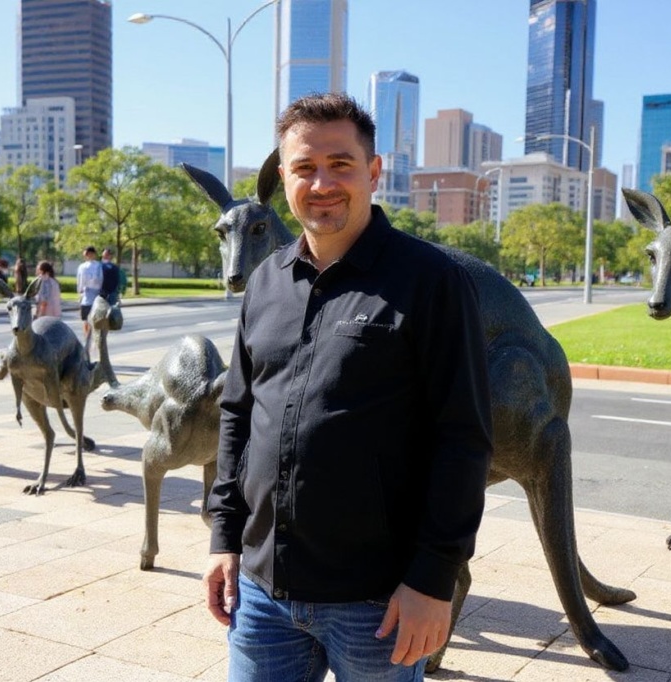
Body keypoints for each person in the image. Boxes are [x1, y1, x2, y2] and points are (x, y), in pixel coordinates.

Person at [202, 93, 493, 681]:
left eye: (340, 164)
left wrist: (433, 579)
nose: (322, 184)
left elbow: (463, 438)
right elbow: (238, 413)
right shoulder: (265, 282)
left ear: (374, 171)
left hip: (378, 603)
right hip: (261, 594)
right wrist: (224, 537)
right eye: (304, 167)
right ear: (284, 179)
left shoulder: (432, 280)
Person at [75, 245, 103, 337]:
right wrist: (80, 293)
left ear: (93, 254)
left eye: (90, 254)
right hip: (85, 297)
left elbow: (100, 279)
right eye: (86, 254)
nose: (88, 256)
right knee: (85, 320)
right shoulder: (82, 266)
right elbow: (79, 281)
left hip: (96, 296)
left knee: (95, 319)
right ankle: (87, 337)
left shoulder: (98, 266)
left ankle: (94, 336)